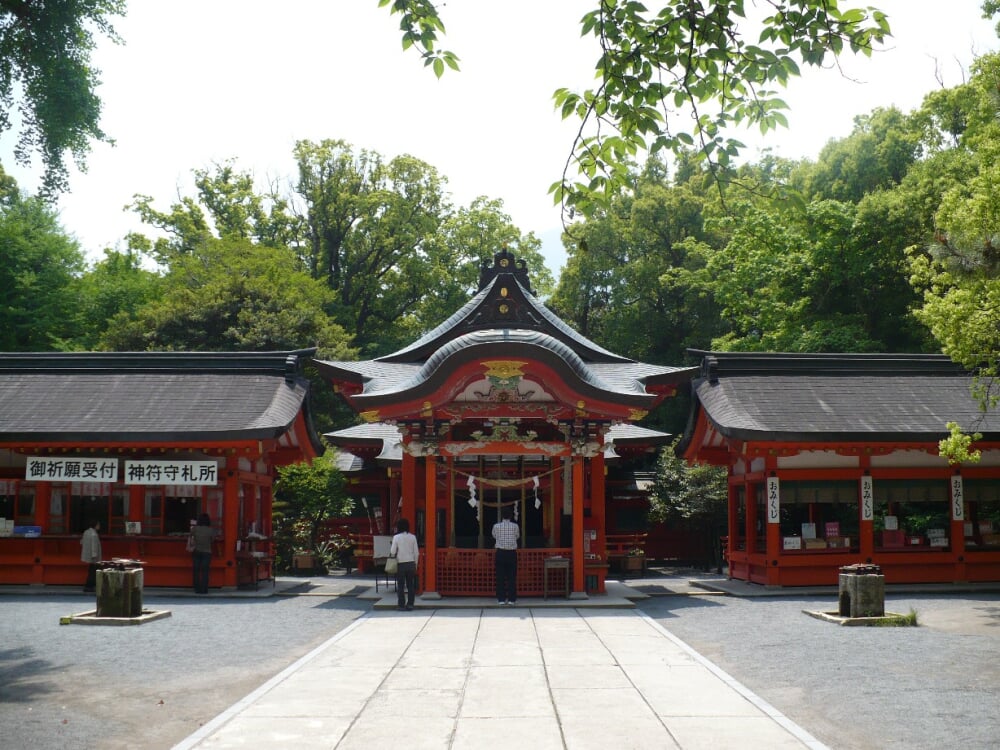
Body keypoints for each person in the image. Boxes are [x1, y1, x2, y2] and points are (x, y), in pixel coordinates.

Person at [492, 507, 520, 605]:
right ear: (511, 516)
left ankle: (501, 599)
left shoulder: (496, 526)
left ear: (502, 516)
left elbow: (494, 536)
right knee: (512, 577)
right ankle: (512, 599)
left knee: (500, 577)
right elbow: (517, 536)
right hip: (511, 553)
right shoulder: (515, 526)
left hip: (500, 552)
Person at [390, 517, 419, 611]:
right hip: (411, 563)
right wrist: (416, 564)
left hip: (400, 563)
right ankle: (410, 604)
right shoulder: (413, 537)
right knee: (411, 585)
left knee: (401, 585)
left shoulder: (396, 537)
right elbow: (416, 553)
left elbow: (393, 551)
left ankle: (401, 605)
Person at [190, 513, 215, 594]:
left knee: (196, 570)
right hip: (207, 552)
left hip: (196, 550)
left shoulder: (194, 529)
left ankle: (197, 588)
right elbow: (212, 540)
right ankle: (204, 589)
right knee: (205, 571)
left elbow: (190, 537)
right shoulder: (210, 530)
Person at [80, 520, 102, 593]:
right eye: (98, 525)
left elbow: (81, 542)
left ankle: (89, 586)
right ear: (95, 525)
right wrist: (95, 556)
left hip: (88, 554)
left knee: (91, 570)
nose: (99, 526)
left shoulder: (86, 532)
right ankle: (89, 586)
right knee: (93, 572)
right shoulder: (94, 534)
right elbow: (94, 547)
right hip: (93, 556)